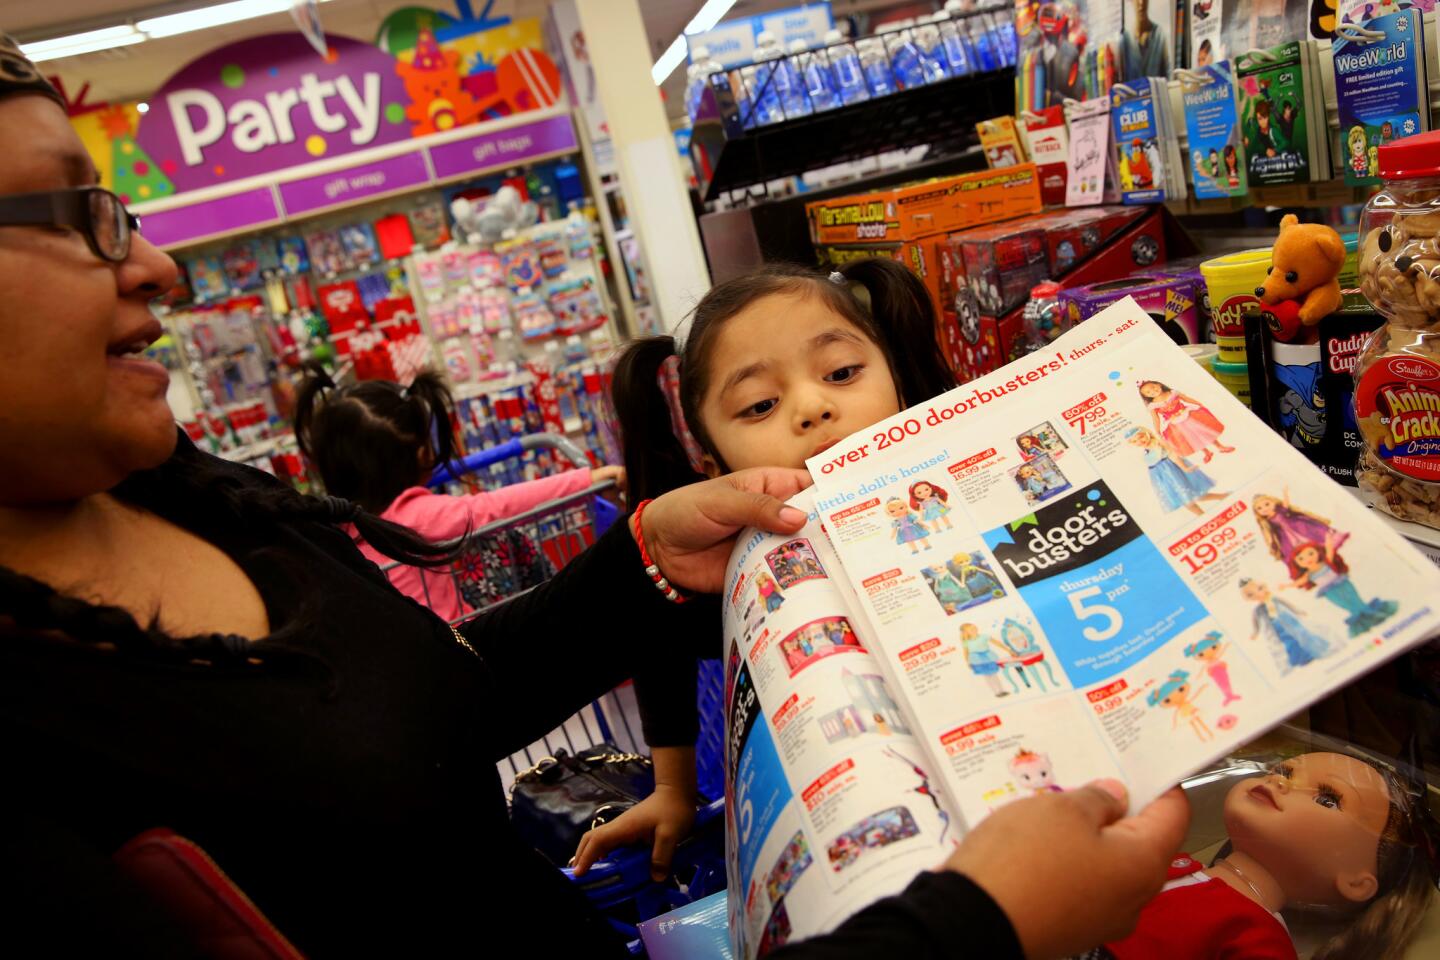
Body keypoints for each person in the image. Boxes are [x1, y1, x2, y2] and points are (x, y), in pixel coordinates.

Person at [0, 43, 1191, 957]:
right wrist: (977, 927)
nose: (155, 265)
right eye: (70, 215)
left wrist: (644, 567)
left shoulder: (175, 499)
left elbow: (416, 712)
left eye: (123, 212)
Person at [581, 258, 960, 878]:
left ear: (894, 377)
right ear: (712, 464)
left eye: (841, 373)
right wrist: (673, 789)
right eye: (759, 406)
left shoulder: (956, 481)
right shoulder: (731, 570)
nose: (812, 408)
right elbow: (658, 640)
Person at [293, 366, 622, 622]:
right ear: (422, 453)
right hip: (464, 660)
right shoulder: (416, 515)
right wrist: (588, 480)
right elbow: (498, 506)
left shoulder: (335, 536)